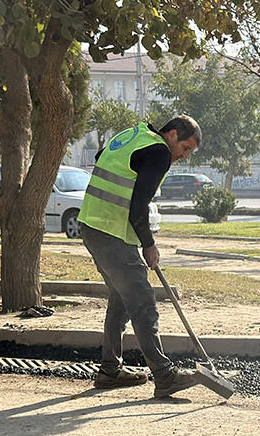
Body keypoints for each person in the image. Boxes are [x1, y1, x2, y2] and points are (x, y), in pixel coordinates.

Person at [77, 115, 205, 398]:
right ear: (171, 134)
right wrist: (149, 244)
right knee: (143, 303)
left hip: (93, 225)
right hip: (110, 231)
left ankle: (110, 371)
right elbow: (138, 207)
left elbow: (102, 157)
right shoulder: (159, 152)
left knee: (122, 299)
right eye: (185, 148)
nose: (183, 156)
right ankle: (164, 374)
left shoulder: (135, 134)